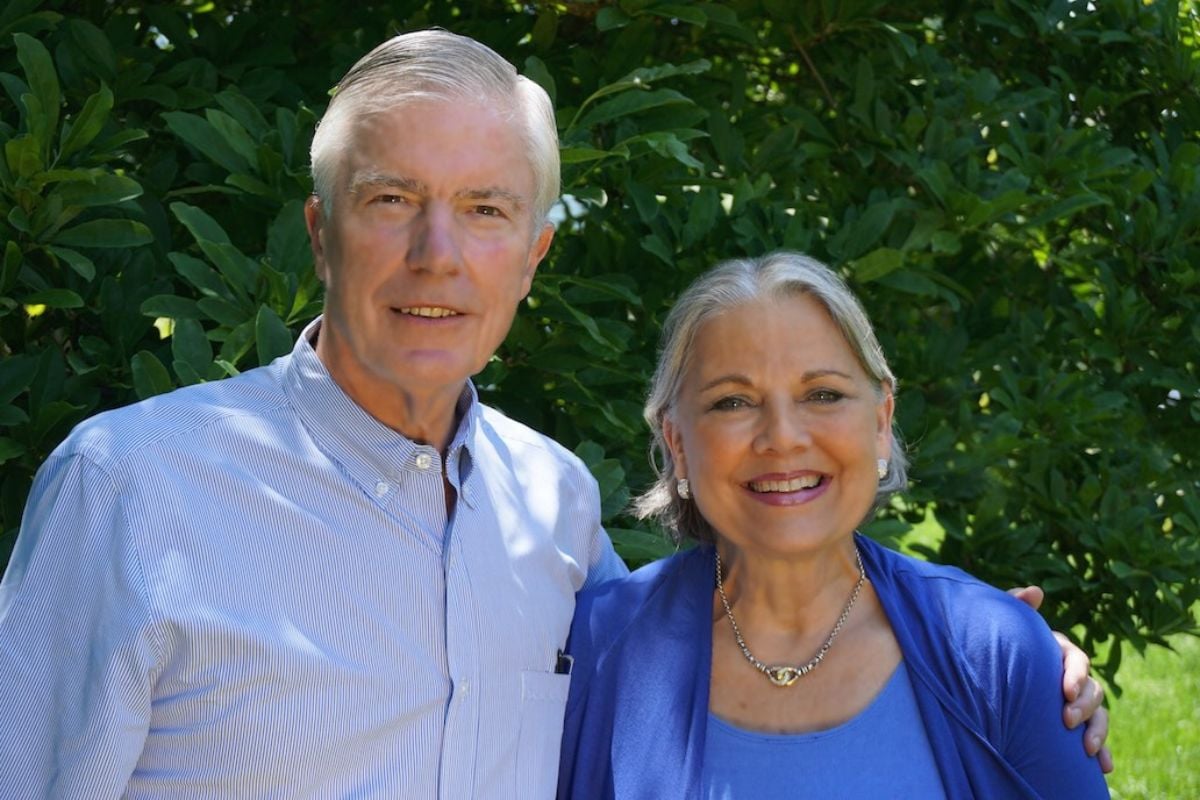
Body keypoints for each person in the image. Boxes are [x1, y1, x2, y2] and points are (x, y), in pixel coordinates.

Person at [0, 31, 1104, 800]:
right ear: (321, 231)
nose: (438, 253)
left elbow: (735, 620)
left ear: (531, 257)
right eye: (392, 200)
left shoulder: (552, 505)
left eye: (484, 210)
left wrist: (980, 645)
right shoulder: (132, 491)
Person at [557, 252, 1111, 799]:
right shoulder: (599, 648)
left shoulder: (994, 656)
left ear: (879, 422)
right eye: (732, 401)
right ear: (677, 443)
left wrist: (1025, 651)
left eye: (822, 394)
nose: (783, 436)